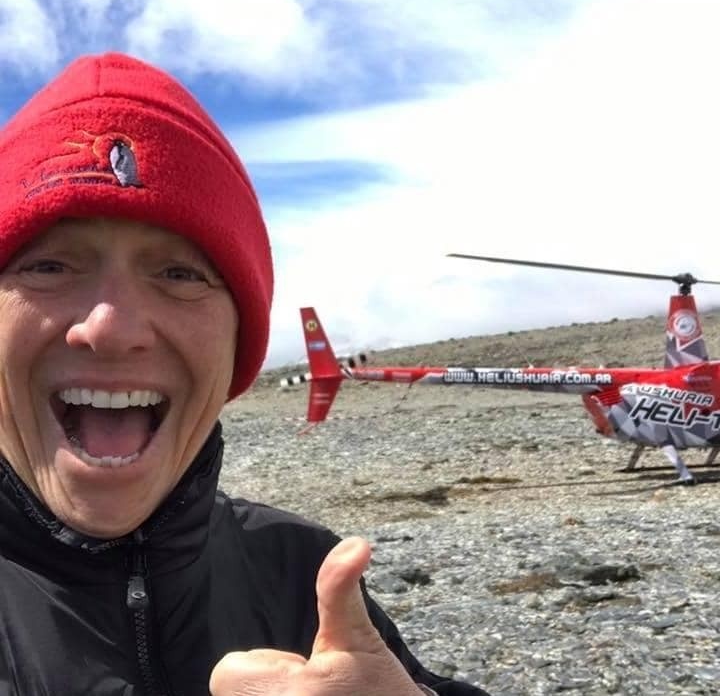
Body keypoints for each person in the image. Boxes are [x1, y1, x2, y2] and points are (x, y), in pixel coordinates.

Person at [0, 52, 490, 695]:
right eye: (48, 267)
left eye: (179, 274)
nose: (111, 328)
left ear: (238, 344)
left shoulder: (305, 573)